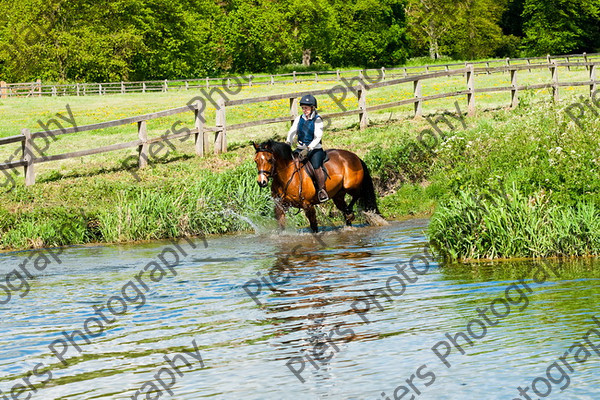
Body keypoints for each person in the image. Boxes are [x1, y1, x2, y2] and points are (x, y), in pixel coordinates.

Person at [286, 94, 329, 202]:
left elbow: (317, 137)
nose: (304, 110)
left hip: (315, 149)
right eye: (303, 108)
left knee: (316, 166)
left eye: (306, 108)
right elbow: (292, 131)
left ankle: (321, 190)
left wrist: (309, 148)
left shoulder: (317, 119)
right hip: (300, 148)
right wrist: (288, 142)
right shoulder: (299, 119)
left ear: (312, 107)